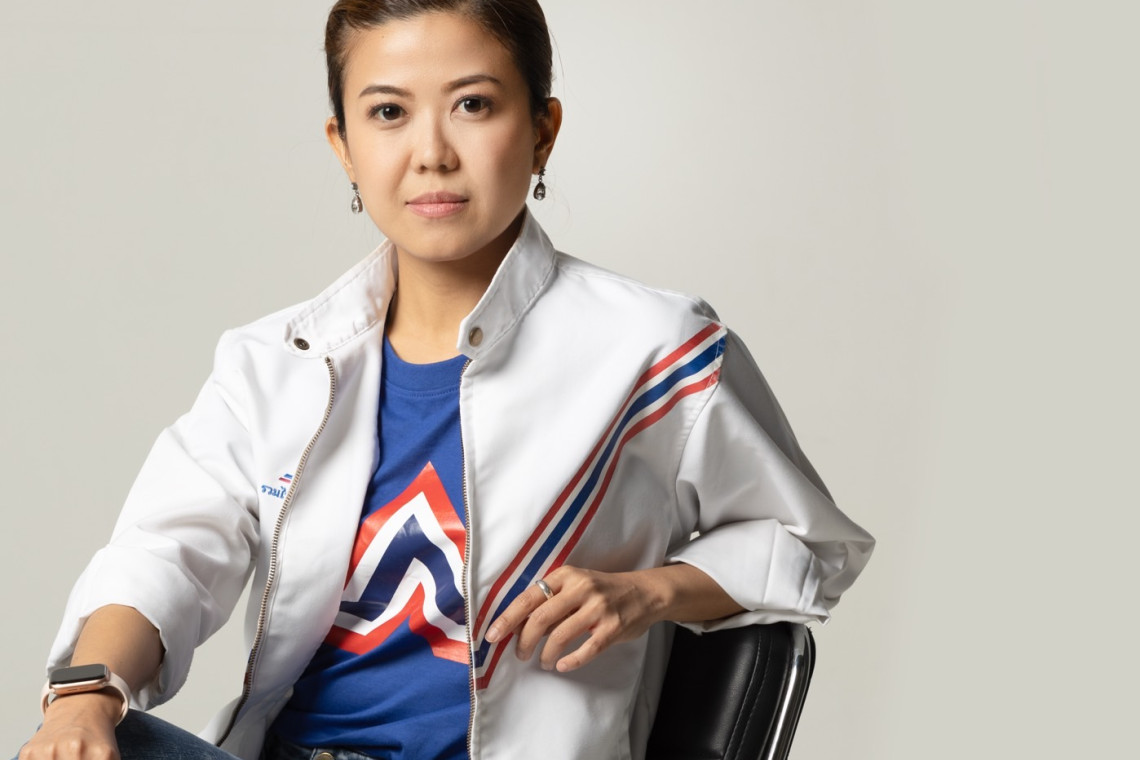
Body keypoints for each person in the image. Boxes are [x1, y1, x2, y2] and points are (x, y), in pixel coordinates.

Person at [19, 1, 874, 759]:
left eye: (473, 104)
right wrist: (85, 701)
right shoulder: (274, 362)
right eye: (388, 113)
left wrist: (647, 592)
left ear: (542, 130)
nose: (430, 154)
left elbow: (810, 544)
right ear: (343, 146)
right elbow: (165, 555)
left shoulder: (652, 349)